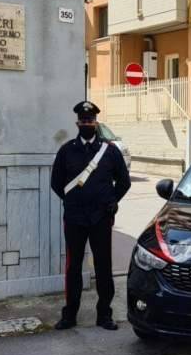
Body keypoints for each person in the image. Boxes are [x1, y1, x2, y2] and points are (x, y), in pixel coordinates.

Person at [51, 101, 131, 330]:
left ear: (96, 122)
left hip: (101, 218)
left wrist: (111, 201)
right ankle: (69, 315)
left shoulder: (110, 151)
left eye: (90, 120)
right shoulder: (67, 150)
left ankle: (104, 314)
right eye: (83, 120)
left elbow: (124, 182)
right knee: (73, 267)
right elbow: (56, 183)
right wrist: (72, 201)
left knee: (103, 266)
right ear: (78, 123)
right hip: (75, 218)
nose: (87, 124)